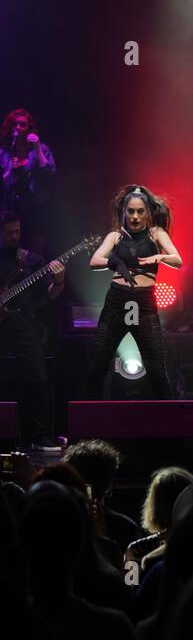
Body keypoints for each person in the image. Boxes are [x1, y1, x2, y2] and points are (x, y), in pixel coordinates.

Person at [87, 185, 182, 399]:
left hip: (144, 305)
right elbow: (94, 261)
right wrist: (114, 262)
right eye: (131, 211)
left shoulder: (156, 233)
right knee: (97, 366)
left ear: (148, 212)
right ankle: (89, 428)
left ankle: (169, 428)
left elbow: (178, 260)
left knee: (157, 370)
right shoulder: (115, 236)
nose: (135, 216)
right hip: (116, 302)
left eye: (140, 211)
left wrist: (160, 257)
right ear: (124, 212)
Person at [0, 209, 66, 448]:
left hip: (23, 324)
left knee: (38, 378)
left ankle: (42, 435)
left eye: (17, 231)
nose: (14, 236)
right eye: (9, 233)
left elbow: (52, 295)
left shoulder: (31, 260)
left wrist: (59, 281)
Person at [0, 109, 56, 250]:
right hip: (11, 211)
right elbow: (4, 183)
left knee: (35, 253)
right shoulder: (4, 153)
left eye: (23, 125)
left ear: (29, 128)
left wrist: (37, 147)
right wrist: (9, 170)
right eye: (15, 124)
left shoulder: (41, 149)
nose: (18, 128)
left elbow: (49, 175)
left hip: (35, 210)